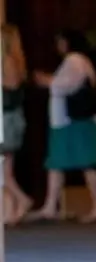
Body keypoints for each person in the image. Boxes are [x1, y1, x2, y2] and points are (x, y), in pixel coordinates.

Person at [28, 29, 96, 224]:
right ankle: (51, 205)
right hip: (74, 121)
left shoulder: (74, 60)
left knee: (81, 162)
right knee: (60, 162)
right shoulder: (83, 61)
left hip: (72, 121)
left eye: (61, 41)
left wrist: (47, 81)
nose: (59, 46)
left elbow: (67, 84)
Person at [1, 24, 32, 225]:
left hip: (7, 120)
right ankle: (11, 211)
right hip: (11, 119)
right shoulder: (15, 61)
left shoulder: (8, 62)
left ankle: (21, 200)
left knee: (4, 171)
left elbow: (9, 90)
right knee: (5, 171)